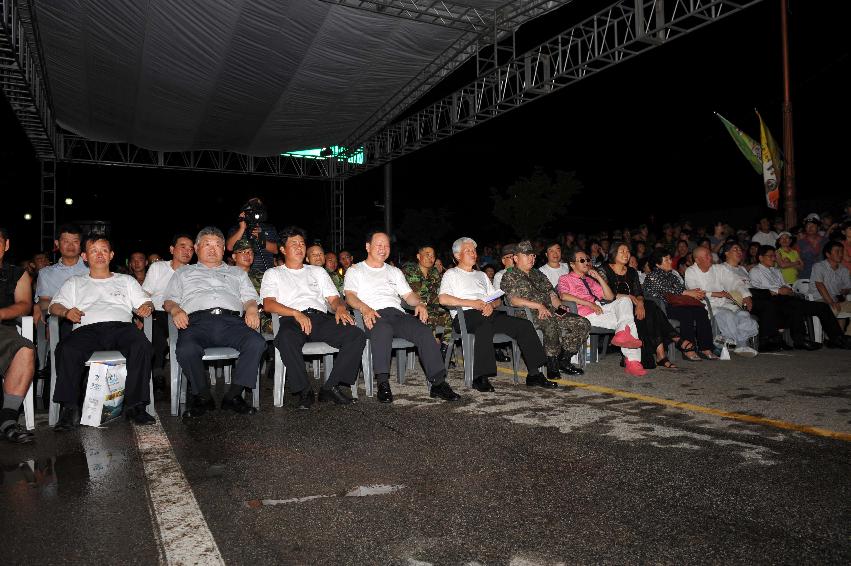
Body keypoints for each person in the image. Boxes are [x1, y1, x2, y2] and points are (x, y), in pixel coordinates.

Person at [49, 233, 155, 430]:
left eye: (104, 250)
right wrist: (66, 312)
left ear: (111, 255)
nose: (99, 255)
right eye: (94, 251)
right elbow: (54, 306)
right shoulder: (75, 282)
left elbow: (145, 301)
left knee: (142, 345)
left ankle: (135, 406)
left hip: (121, 327)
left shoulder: (126, 280)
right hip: (86, 329)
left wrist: (146, 307)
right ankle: (69, 409)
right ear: (85, 256)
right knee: (67, 349)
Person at [344, 231, 460, 403]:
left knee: (423, 330)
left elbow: (408, 295)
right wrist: (364, 308)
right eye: (379, 245)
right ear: (368, 247)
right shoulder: (356, 270)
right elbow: (350, 296)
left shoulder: (394, 271)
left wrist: (419, 303)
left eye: (387, 246)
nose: (383, 249)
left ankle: (438, 383)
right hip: (373, 314)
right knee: (383, 329)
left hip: (397, 313)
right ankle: (383, 383)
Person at [163, 227, 266, 417]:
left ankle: (233, 396)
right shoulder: (183, 273)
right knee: (186, 349)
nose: (213, 249)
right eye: (207, 244)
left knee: (257, 342)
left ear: (224, 249)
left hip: (232, 322)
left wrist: (251, 308)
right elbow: (169, 300)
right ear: (197, 247)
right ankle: (203, 397)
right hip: (197, 322)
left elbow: (250, 297)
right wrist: (176, 310)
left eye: (218, 245)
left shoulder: (237, 273)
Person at [261, 227, 366, 408]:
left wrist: (340, 308)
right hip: (291, 319)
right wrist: (295, 313)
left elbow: (333, 299)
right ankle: (304, 390)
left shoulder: (317, 272)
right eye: (294, 244)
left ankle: (331, 387)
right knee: (285, 338)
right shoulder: (274, 273)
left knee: (355, 334)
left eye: (302, 243)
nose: (299, 247)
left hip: (319, 318)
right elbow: (268, 304)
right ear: (283, 250)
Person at [439, 237, 555, 390]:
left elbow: (497, 300)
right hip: (465, 316)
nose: (473, 254)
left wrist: (490, 305)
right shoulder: (451, 274)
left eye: (474, 251)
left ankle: (534, 374)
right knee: (484, 324)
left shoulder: (481, 276)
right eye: (468, 251)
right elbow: (443, 298)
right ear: (457, 256)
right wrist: (474, 303)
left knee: (523, 325)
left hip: (486, 313)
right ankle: (480, 376)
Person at [500, 240, 589, 377]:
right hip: (525, 314)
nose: (531, 258)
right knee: (549, 321)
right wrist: (538, 306)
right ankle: (552, 364)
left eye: (533, 255)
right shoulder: (510, 275)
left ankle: (564, 360)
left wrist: (559, 306)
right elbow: (513, 300)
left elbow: (551, 293)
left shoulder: (538, 274)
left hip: (548, 310)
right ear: (516, 258)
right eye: (527, 255)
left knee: (582, 323)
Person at [557, 249, 645, 376]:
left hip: (600, 308)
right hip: (585, 313)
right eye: (582, 260)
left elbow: (609, 297)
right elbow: (563, 296)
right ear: (572, 264)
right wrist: (589, 303)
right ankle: (633, 362)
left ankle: (622, 335)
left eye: (587, 260)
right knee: (628, 324)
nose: (586, 262)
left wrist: (598, 277)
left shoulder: (590, 280)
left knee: (625, 300)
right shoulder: (565, 278)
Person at [600, 242, 684, 369]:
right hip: (615, 307)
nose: (626, 254)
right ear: (613, 253)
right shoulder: (604, 270)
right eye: (622, 251)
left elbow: (639, 293)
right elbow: (604, 294)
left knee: (649, 307)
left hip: (633, 305)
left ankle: (661, 354)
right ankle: (671, 344)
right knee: (650, 309)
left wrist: (640, 304)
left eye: (628, 251)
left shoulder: (632, 271)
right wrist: (629, 298)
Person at [749, 245, 848, 349]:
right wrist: (778, 290)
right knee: (795, 305)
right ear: (760, 257)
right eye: (770, 256)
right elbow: (756, 290)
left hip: (787, 299)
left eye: (774, 256)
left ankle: (837, 338)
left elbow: (786, 286)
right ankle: (800, 340)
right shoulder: (755, 271)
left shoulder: (776, 271)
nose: (774, 258)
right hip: (773, 301)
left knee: (822, 307)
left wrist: (788, 291)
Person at [643, 249, 717, 360]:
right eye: (666, 260)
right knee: (686, 314)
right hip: (663, 307)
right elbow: (666, 289)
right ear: (658, 264)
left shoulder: (672, 276)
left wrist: (693, 292)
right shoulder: (652, 276)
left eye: (670, 259)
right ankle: (688, 349)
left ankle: (705, 348)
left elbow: (681, 290)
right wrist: (688, 292)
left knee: (701, 311)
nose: (670, 262)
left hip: (678, 304)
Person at [684, 247, 759, 357]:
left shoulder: (718, 269)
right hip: (706, 305)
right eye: (706, 256)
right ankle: (739, 343)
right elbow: (696, 292)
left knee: (744, 314)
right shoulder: (691, 271)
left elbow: (735, 281)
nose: (710, 258)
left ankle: (737, 344)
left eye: (710, 255)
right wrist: (716, 293)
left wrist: (746, 295)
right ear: (697, 260)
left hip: (724, 303)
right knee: (727, 315)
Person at [142, 233, 195, 384]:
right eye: (182, 247)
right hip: (157, 312)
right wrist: (143, 310)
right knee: (156, 333)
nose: (187, 251)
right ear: (172, 249)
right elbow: (145, 293)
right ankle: (157, 373)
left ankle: (192, 379)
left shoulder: (193, 272)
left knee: (193, 335)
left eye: (191, 249)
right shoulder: (158, 267)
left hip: (183, 314)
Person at [0, 228, 36, 443]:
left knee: (25, 349)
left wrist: (1, 313)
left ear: (6, 245)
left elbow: (24, 304)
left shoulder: (17, 273)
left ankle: (8, 419)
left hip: (3, 328)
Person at [720, 242, 787, 352]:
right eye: (735, 249)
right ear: (726, 253)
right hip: (738, 298)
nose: (739, 252)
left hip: (752, 294)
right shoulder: (722, 268)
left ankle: (776, 338)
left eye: (740, 250)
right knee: (769, 302)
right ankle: (765, 340)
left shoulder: (742, 269)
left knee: (779, 301)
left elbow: (750, 286)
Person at [34, 223, 88, 330]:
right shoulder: (46, 273)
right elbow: (45, 301)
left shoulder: (92, 268)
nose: (71, 246)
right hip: (62, 320)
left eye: (75, 241)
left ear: (81, 244)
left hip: (91, 316)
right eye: (66, 241)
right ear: (57, 243)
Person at [402, 244, 453, 355]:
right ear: (418, 256)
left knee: (451, 314)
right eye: (427, 255)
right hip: (413, 310)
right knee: (431, 308)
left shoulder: (434, 273)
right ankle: (434, 344)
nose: (431, 258)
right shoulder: (409, 270)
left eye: (433, 256)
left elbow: (440, 293)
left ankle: (444, 347)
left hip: (433, 309)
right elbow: (414, 293)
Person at [226, 197, 279, 272]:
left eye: (258, 205)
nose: (255, 207)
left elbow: (276, 250)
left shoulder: (269, 228)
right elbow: (229, 247)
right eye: (252, 205)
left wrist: (261, 238)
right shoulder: (236, 229)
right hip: (242, 274)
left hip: (265, 274)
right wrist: (242, 228)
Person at [810, 241, 851, 336]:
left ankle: (847, 336)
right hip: (820, 300)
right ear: (828, 254)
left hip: (836, 300)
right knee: (833, 309)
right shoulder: (819, 266)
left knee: (840, 307)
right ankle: (832, 337)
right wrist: (831, 302)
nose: (840, 254)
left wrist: (846, 290)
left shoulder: (844, 270)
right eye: (837, 251)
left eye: (842, 251)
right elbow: (820, 285)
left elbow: (848, 288)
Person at [232, 238, 272, 335]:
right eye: (243, 252)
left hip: (263, 316)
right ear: (234, 256)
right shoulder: (227, 276)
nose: (248, 255)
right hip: (235, 317)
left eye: (250, 252)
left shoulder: (263, 276)